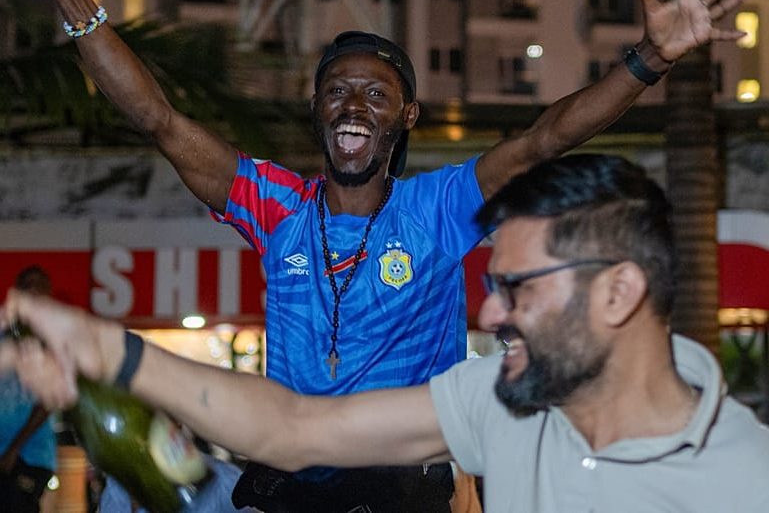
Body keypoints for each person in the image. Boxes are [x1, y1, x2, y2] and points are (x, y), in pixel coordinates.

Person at [21, 0, 755, 509]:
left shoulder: (438, 206)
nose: (352, 105)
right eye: (337, 90)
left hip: (402, 484)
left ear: (405, 115)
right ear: (316, 108)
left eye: (375, 94)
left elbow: (542, 140)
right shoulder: (275, 206)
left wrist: (646, 61)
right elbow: (161, 121)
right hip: (286, 473)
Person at [4, 153, 769, 512]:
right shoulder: (497, 399)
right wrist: (110, 351)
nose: (490, 314)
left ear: (618, 291)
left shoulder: (748, 481)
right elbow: (296, 426)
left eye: (513, 289)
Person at [0, 266, 57, 513]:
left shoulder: (53, 339)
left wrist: (14, 449)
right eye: (27, 284)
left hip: (31, 455)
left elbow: (47, 402)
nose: (33, 290)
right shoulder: (3, 334)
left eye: (39, 285)